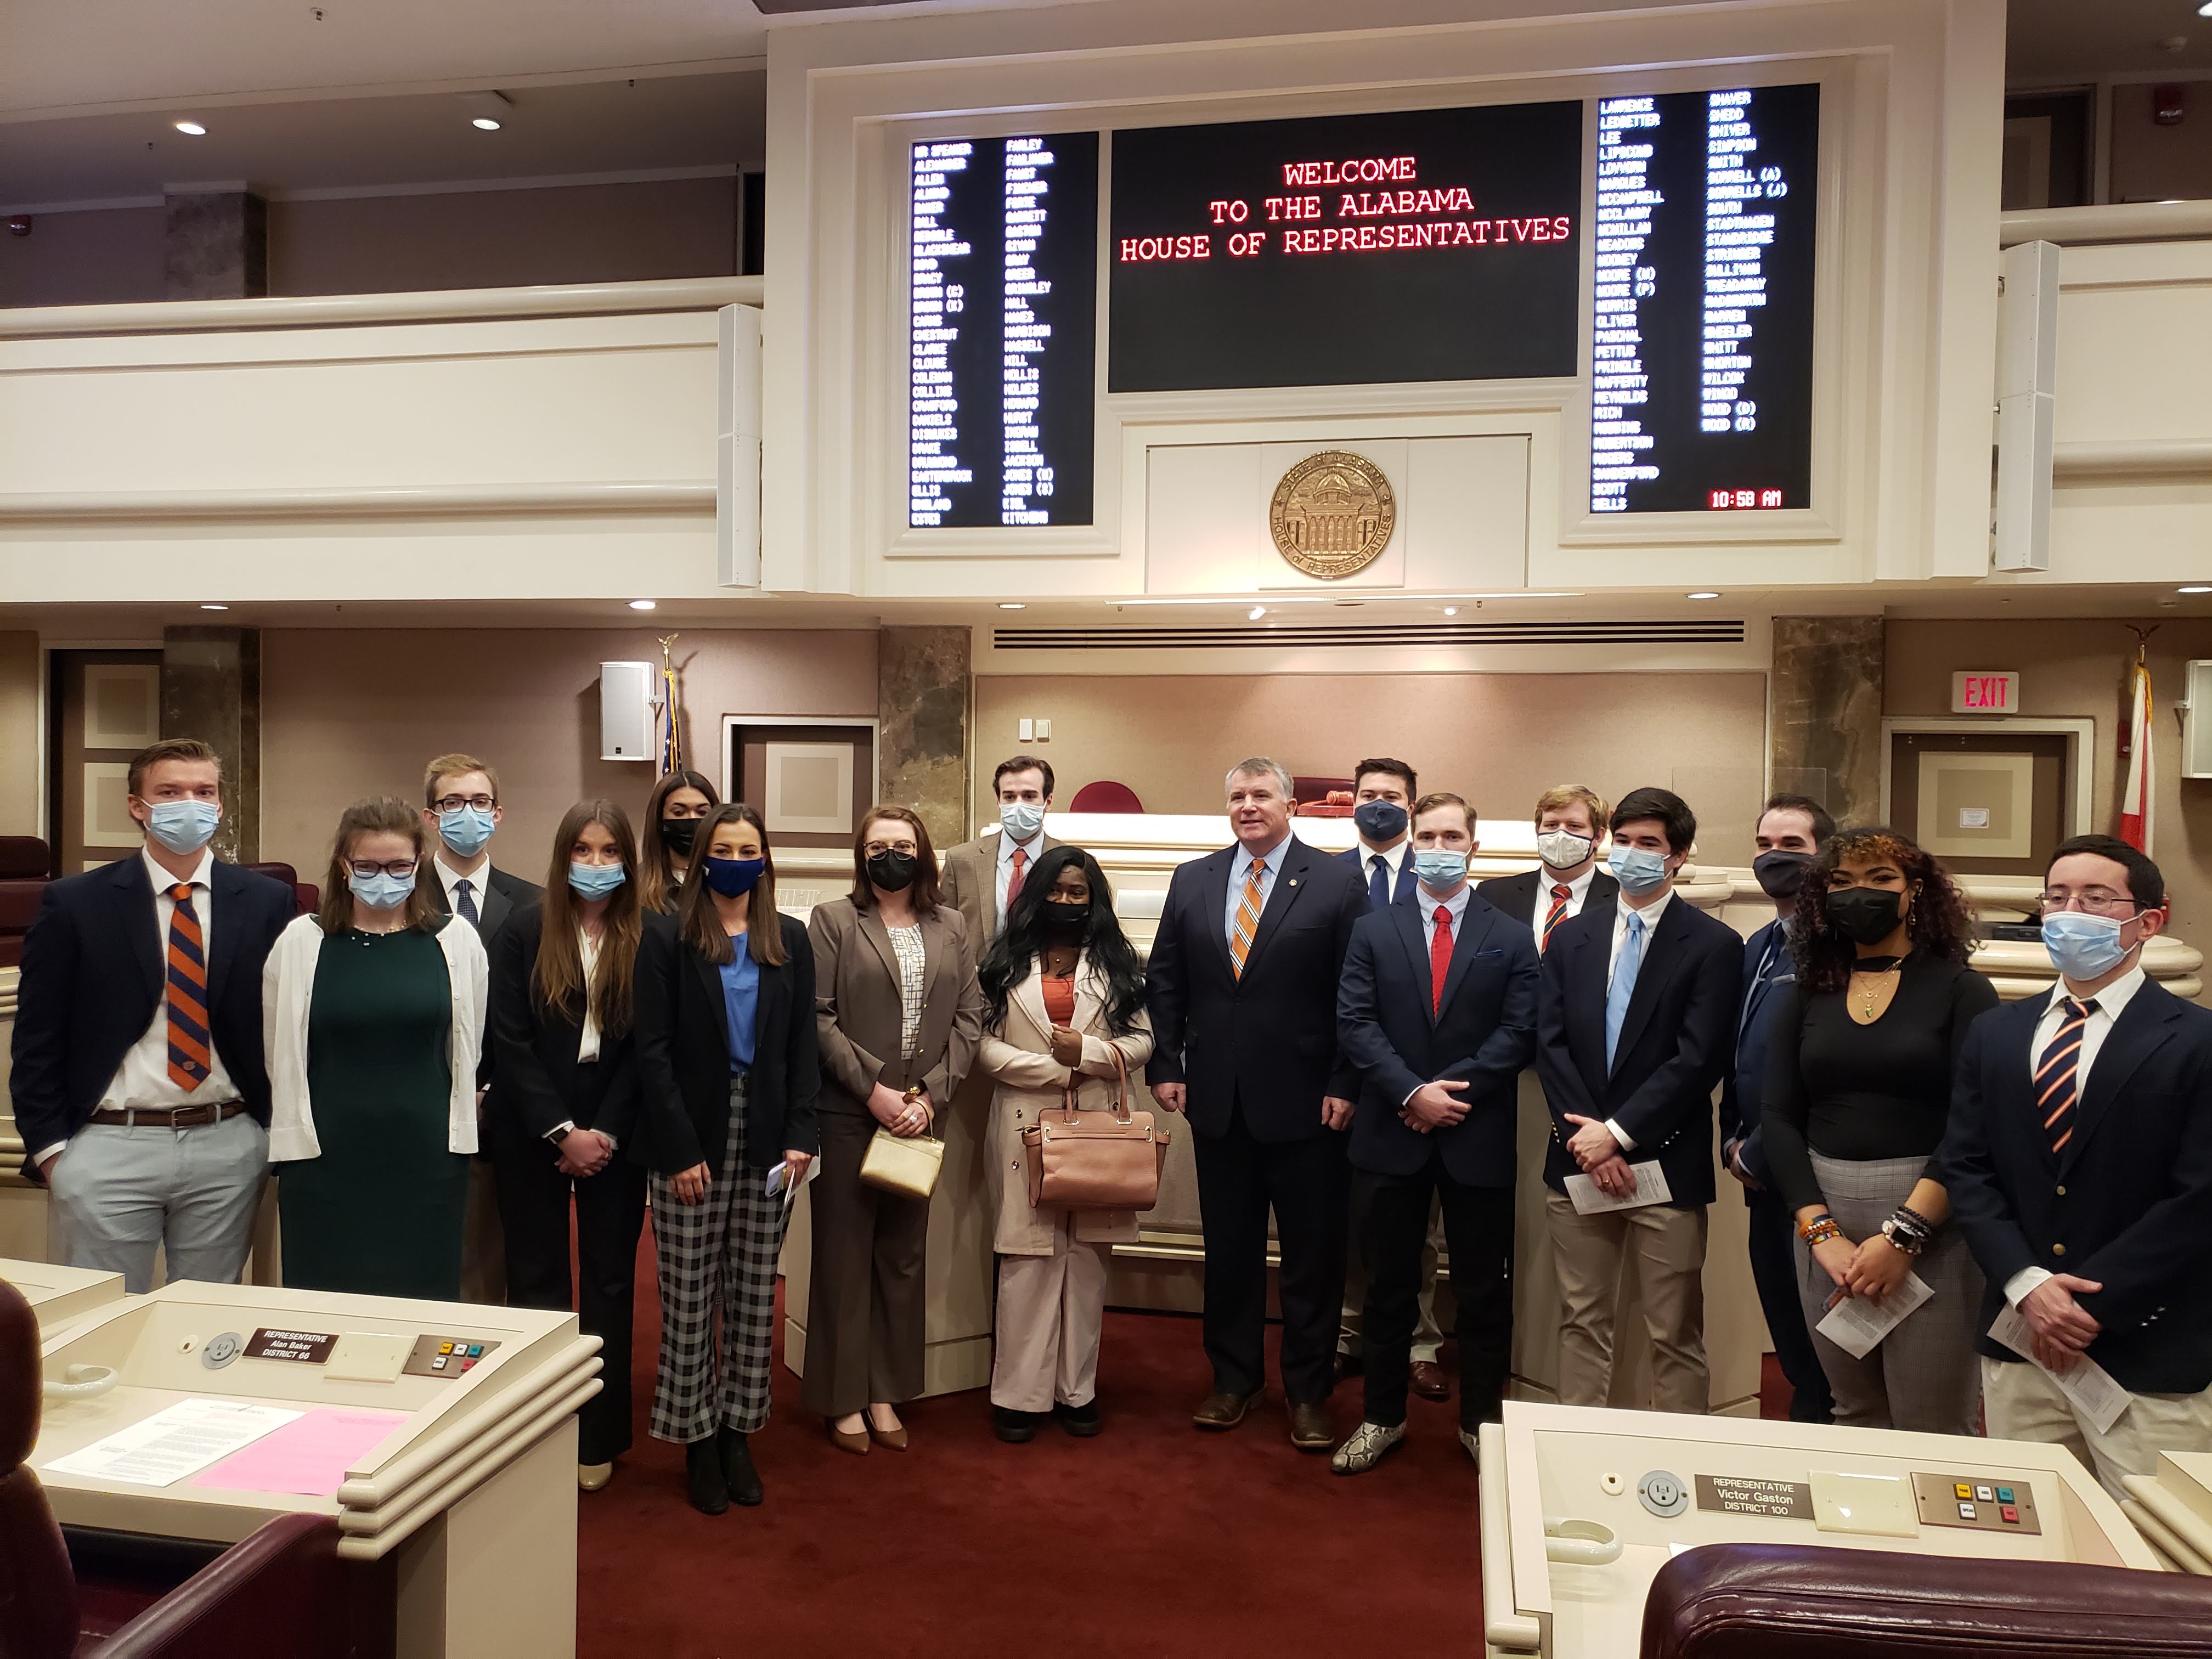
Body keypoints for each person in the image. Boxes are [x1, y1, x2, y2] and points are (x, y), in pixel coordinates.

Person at [1942, 835, 2212, 1497]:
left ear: (2150, 919)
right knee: (2032, 1541)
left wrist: (2096, 1302)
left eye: (2095, 899)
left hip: (2146, 1344)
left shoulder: (2199, 1039)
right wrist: (2031, 1287)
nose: (2070, 912)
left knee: (2164, 1556)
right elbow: (1967, 1168)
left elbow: (2200, 1194)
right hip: (2021, 1336)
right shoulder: (1997, 1034)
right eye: (2057, 897)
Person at [12, 738, 295, 1293]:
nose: (188, 803)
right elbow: (38, 1038)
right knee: (101, 1323)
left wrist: (264, 1134)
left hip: (227, 1141)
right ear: (137, 806)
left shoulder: (266, 901)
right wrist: (51, 1152)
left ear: (219, 806)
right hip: (109, 1144)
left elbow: (284, 1024)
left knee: (207, 1326)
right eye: (169, 791)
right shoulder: (77, 904)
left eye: (203, 792)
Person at [1144, 757, 1369, 1450]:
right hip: (1217, 1102)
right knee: (1231, 1254)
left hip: (1310, 1105)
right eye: (1237, 795)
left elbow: (1356, 992)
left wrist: (1346, 1081)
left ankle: (1307, 1393)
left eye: (1262, 795)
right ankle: (1234, 1380)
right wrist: (1166, 1059)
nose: (1249, 806)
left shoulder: (1337, 879)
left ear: (1290, 805)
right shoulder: (1195, 879)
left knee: (1312, 1258)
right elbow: (1166, 977)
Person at [1759, 827, 1995, 1434]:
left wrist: (1903, 1237)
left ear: (1915, 892)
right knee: (1854, 1412)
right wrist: (1821, 1232)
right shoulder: (1808, 993)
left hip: (1933, 1230)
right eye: (1842, 882)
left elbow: (1975, 1126)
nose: (1858, 894)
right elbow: (1780, 1116)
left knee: (1931, 1421)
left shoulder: (1962, 989)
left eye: (1880, 879)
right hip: (1825, 1230)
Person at [1331, 793, 1538, 1473]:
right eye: (1429, 835)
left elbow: (1518, 1032)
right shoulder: (1373, 928)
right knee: (1389, 1287)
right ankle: (1382, 1417)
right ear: (1411, 845)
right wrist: (1411, 1092)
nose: (1440, 845)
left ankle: (1482, 1425)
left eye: (1454, 835)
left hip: (1474, 1134)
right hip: (1392, 1132)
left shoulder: (1509, 933)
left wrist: (1446, 1095)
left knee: (1482, 1292)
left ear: (1475, 846)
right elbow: (1356, 1023)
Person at [635, 804, 819, 1514]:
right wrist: (679, 1148)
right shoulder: (665, 936)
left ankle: (739, 1431)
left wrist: (802, 1133)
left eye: (749, 848)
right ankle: (696, 1438)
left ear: (766, 859)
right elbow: (652, 1053)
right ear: (701, 856)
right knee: (687, 1298)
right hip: (692, 1134)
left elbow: (803, 1043)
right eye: (724, 847)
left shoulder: (791, 940)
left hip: (771, 1135)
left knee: (751, 1298)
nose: (736, 858)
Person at [1535, 786, 1739, 1414]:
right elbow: (1551, 1042)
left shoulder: (1712, 944)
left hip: (1665, 1166)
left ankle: (1680, 1464)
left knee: (1673, 1332)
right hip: (1577, 1159)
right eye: (1621, 841)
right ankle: (1571, 1457)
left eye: (1648, 844)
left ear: (1677, 856)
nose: (1631, 855)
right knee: (1580, 1319)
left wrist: (1618, 1135)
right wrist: (1591, 1142)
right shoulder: (1572, 937)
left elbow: (1697, 1059)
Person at [804, 805, 983, 1452]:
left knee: (903, 1259)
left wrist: (930, 1097)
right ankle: (843, 1397)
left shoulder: (953, 925)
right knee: (845, 1259)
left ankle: (886, 1391)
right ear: (862, 855)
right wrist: (874, 1089)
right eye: (878, 846)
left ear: (924, 853)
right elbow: (818, 1017)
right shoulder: (834, 921)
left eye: (903, 845)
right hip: (851, 1111)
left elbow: (971, 1018)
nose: (891, 855)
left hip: (921, 1116)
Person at [487, 800, 653, 1494]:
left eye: (609, 851)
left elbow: (652, 1045)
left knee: (612, 1281)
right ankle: (539, 1427)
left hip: (617, 1124)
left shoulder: (652, 935)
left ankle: (598, 1434)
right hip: (533, 1125)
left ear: (628, 860)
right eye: (582, 851)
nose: (595, 865)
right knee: (537, 1279)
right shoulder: (523, 929)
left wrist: (603, 1133)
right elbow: (509, 1039)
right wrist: (560, 1130)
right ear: (562, 858)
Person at [264, 796, 488, 1300]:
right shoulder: (303, 941)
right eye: (366, 865)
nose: (382, 877)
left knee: (422, 1305)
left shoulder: (455, 940)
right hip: (324, 1156)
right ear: (344, 866)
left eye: (398, 866)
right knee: (325, 1306)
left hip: (427, 1155)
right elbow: (279, 1054)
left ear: (419, 864)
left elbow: (466, 1050)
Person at [975, 846, 1154, 1443]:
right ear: (1037, 894)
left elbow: (1142, 1043)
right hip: (1024, 1121)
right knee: (1027, 1259)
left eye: (1079, 893)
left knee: (1086, 1261)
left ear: (1094, 898)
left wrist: (1093, 1055)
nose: (1067, 902)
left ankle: (1076, 1391)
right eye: (1057, 891)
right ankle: (1019, 1396)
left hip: (1096, 1127)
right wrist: (1057, 1071)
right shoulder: (1001, 963)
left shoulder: (1119, 965)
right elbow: (979, 1045)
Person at [1717, 794, 1836, 1424]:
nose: (1774, 858)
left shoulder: (1837, 948)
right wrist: (1732, 1140)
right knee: (1789, 1335)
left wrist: (1759, 1148)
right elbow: (1738, 1054)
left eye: (1792, 847)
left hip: (1816, 1178)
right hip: (1758, 1175)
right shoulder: (1759, 944)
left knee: (1828, 1350)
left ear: (1825, 857)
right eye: (1764, 845)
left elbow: (1826, 1070)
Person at [1331, 757, 1447, 1398]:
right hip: (1345, 1083)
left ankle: (1419, 1341)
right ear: (1351, 801)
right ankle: (1352, 1334)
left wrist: (1417, 1090)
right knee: (1351, 1222)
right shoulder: (1323, 875)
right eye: (1368, 794)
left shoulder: (1441, 875)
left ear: (1413, 803)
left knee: (1420, 1230)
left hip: (1418, 1088)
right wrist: (1345, 1082)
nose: (1379, 804)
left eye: (1393, 796)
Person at [1475, 784, 1620, 953]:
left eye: (1574, 826)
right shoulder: (1493, 895)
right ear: (1538, 831)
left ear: (1598, 836)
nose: (1561, 834)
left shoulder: (1621, 897)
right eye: (1552, 825)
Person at [941, 754, 1062, 946]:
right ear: (999, 801)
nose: (1018, 804)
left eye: (1029, 796)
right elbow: (945, 932)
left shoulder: (1069, 862)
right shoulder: (961, 860)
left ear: (1048, 801)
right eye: (1009, 797)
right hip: (979, 973)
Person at [420, 753, 540, 944]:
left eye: (480, 802)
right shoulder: (408, 894)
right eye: (453, 803)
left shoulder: (534, 902)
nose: (469, 812)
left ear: (496, 815)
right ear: (431, 818)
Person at [638, 768, 720, 915]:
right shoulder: (636, 885)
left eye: (702, 812)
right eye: (678, 812)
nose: (691, 819)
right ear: (659, 820)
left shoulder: (724, 881)